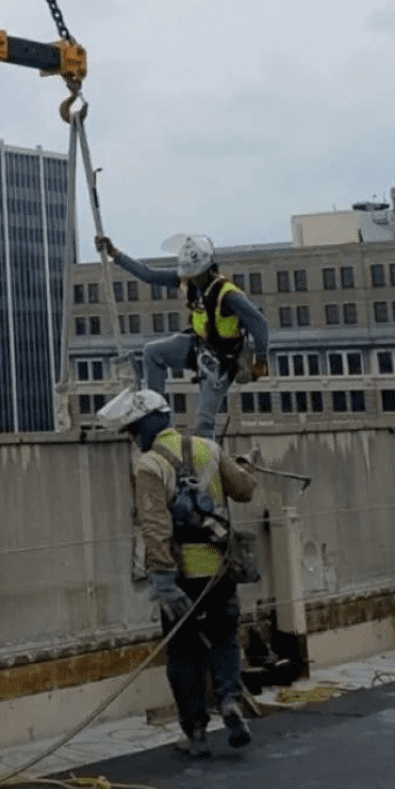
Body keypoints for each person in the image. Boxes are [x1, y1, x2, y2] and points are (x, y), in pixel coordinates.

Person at [97, 386, 257, 756]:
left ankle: (197, 734)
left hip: (182, 574)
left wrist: (163, 578)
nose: (134, 438)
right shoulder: (209, 448)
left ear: (150, 425)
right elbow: (245, 490)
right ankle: (230, 699)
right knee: (224, 638)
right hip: (219, 568)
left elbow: (154, 525)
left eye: (134, 430)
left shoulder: (149, 465)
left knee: (184, 653)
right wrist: (242, 465)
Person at [95, 232, 269, 438]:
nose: (190, 279)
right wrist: (115, 253)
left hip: (222, 361)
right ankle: (155, 416)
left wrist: (260, 360)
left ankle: (206, 461)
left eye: (194, 275)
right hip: (197, 346)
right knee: (153, 352)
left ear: (206, 269)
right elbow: (148, 275)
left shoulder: (228, 294)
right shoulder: (189, 282)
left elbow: (259, 324)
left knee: (204, 420)